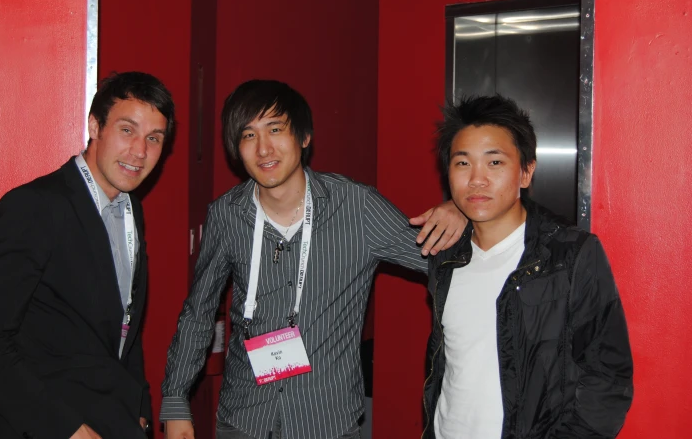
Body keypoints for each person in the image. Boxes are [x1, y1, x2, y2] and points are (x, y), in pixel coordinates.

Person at [160, 80, 467, 439]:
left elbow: (444, 259)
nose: (263, 149)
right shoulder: (227, 215)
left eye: (276, 129)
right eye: (248, 135)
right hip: (242, 420)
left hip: (325, 421)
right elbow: (199, 311)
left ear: (304, 137)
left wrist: (463, 212)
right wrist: (176, 400)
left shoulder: (357, 207)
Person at [0, 72, 175, 439]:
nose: (140, 151)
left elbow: (126, 326)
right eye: (127, 130)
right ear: (94, 125)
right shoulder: (35, 206)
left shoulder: (130, 210)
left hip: (115, 420)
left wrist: (139, 408)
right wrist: (65, 429)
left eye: (154, 138)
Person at [423, 95, 633, 438]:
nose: (477, 179)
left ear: (525, 172)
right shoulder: (444, 255)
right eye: (463, 164)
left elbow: (608, 377)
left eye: (494, 163)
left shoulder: (570, 256)